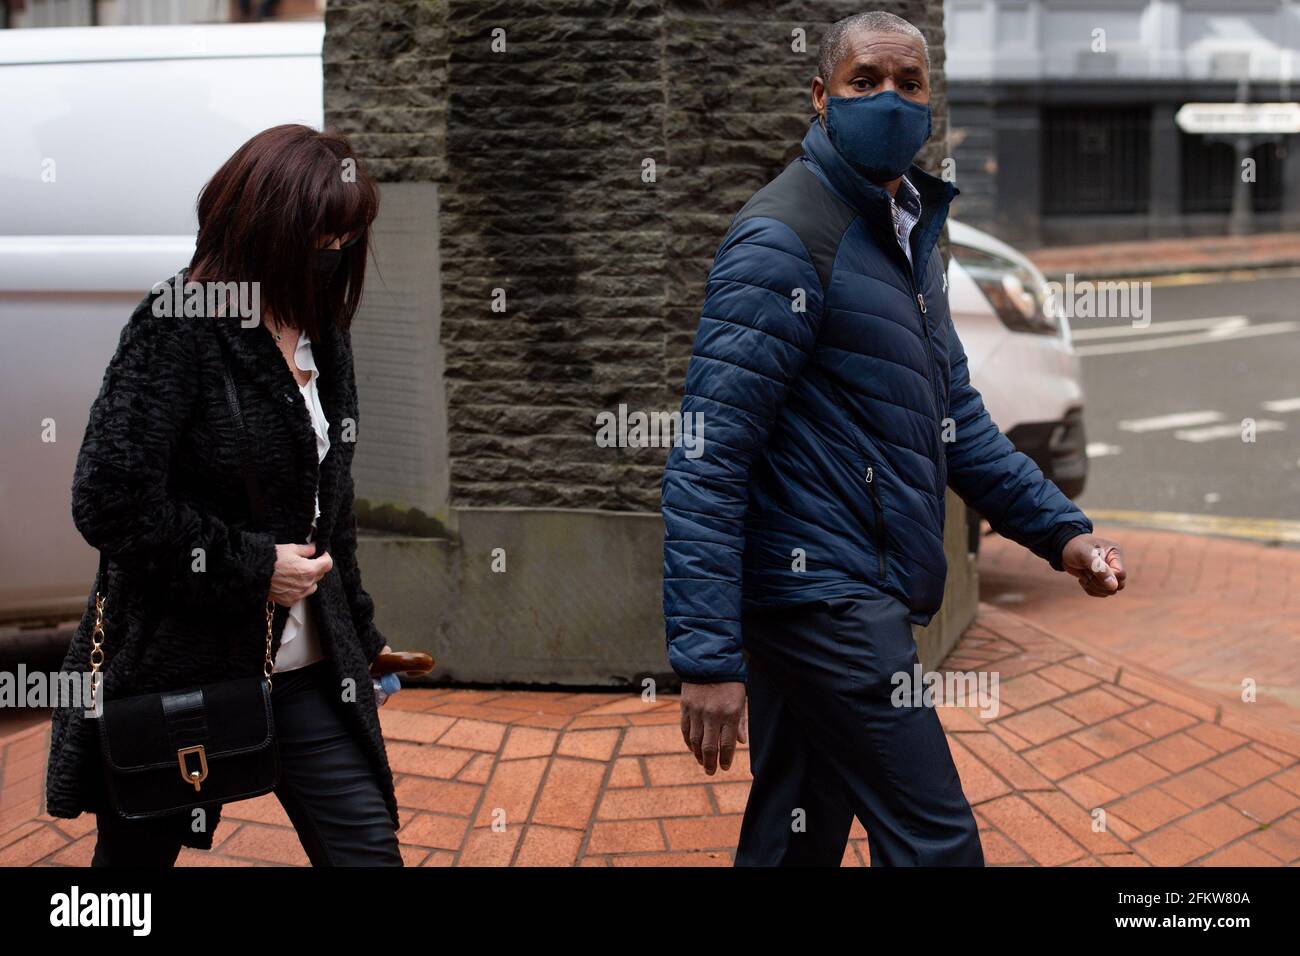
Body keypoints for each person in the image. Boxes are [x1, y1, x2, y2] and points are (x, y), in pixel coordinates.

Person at [660, 11, 1128, 867]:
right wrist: (705, 656)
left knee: (798, 823)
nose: (888, 100)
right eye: (864, 81)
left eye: (908, 85)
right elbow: (705, 453)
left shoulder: (906, 239)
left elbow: (959, 424)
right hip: (827, 597)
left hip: (845, 585)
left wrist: (1063, 533)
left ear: (929, 103)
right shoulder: (783, 239)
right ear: (821, 97)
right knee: (936, 841)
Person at [43, 124, 404, 866]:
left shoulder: (322, 334)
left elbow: (329, 510)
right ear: (263, 228)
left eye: (345, 240)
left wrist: (360, 636)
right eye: (319, 239)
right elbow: (108, 499)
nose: (333, 258)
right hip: (180, 670)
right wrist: (249, 567)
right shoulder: (177, 326)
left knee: (367, 850)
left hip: (307, 673)